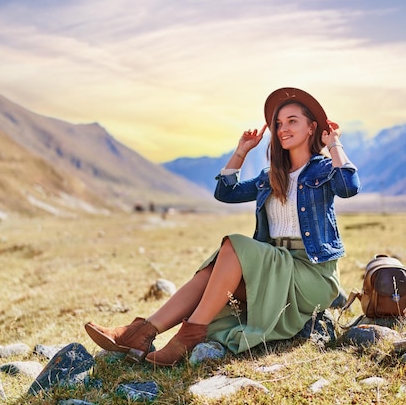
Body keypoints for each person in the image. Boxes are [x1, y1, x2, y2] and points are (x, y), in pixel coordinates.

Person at [84, 87, 361, 367]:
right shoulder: (270, 177)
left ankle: (186, 338)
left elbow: (349, 186)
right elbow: (225, 193)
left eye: (292, 121)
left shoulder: (324, 170)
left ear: (312, 127)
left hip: (311, 274)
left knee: (234, 245)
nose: (283, 129)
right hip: (276, 266)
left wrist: (334, 143)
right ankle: (141, 332)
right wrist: (241, 151)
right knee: (211, 271)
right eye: (278, 124)